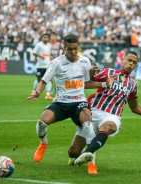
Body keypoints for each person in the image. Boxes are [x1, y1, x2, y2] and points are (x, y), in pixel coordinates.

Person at [67, 51, 141, 173]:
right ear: (122, 60)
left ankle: (88, 152)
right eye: (129, 60)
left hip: (112, 116)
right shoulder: (107, 72)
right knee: (73, 151)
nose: (131, 64)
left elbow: (135, 108)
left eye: (134, 63)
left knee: (108, 126)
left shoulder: (132, 84)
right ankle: (78, 156)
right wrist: (91, 74)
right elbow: (86, 83)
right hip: (92, 113)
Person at [26, 33, 113, 163]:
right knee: (42, 123)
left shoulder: (85, 61)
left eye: (75, 49)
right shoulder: (56, 63)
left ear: (78, 48)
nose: (73, 51)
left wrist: (105, 84)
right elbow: (44, 81)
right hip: (61, 103)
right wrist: (37, 92)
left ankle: (91, 162)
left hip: (79, 102)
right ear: (64, 48)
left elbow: (87, 83)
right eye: (69, 49)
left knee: (88, 125)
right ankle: (43, 143)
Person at [32, 33, 53, 100]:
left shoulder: (49, 45)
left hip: (47, 65)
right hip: (40, 65)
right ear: (42, 38)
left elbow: (49, 54)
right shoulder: (39, 45)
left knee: (49, 79)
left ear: (48, 38)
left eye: (46, 37)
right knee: (39, 79)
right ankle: (34, 91)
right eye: (44, 37)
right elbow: (34, 52)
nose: (45, 39)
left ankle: (48, 94)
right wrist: (40, 56)